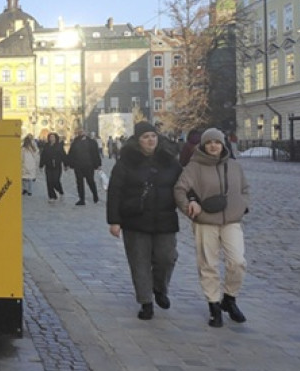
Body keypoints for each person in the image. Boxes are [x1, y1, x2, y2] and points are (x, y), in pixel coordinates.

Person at [174, 127, 250, 328]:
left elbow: (245, 188)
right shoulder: (194, 166)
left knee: (238, 262)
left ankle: (230, 298)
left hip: (231, 221)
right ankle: (214, 306)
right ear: (203, 145)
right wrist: (190, 207)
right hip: (205, 221)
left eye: (217, 142)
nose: (213, 146)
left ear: (223, 144)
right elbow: (180, 189)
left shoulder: (234, 166)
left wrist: (242, 206)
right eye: (209, 143)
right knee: (209, 264)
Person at [106, 121, 182, 320]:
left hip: (165, 218)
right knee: (139, 262)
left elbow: (183, 186)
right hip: (135, 219)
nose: (150, 140)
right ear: (138, 141)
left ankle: (159, 288)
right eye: (146, 137)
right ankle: (146, 302)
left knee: (167, 257)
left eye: (153, 136)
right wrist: (114, 221)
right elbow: (115, 192)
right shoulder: (126, 162)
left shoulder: (170, 161)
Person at [65, 127, 102, 205]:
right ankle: (81, 199)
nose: (81, 133)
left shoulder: (92, 142)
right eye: (79, 131)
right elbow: (71, 153)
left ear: (86, 132)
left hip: (89, 165)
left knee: (90, 181)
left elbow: (96, 154)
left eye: (82, 131)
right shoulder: (75, 142)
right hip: (78, 165)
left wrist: (98, 164)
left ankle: (95, 196)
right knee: (79, 183)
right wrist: (67, 163)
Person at [39, 132, 65, 203]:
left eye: (53, 137)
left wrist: (66, 164)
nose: (52, 138)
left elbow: (63, 155)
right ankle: (52, 196)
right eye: (50, 137)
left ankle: (60, 191)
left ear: (56, 138)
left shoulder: (59, 146)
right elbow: (43, 156)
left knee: (56, 180)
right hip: (48, 166)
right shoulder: (46, 146)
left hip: (57, 166)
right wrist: (41, 165)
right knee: (49, 181)